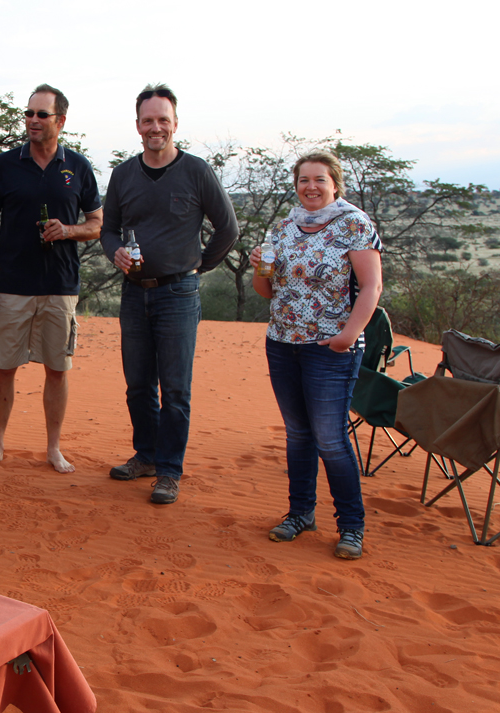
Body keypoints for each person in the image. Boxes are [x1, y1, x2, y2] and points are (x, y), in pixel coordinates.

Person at [103, 83, 238, 505]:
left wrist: (198, 266)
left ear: (175, 123)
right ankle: (145, 455)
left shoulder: (196, 171)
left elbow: (228, 229)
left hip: (178, 293)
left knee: (175, 388)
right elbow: (107, 229)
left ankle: (169, 471)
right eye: (148, 120)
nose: (155, 127)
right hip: (133, 292)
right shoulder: (124, 174)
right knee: (138, 385)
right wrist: (115, 253)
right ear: (138, 126)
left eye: (163, 119)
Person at [249, 151, 383, 560]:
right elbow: (267, 292)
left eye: (319, 179)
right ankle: (300, 514)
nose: (311, 186)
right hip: (283, 343)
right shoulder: (285, 227)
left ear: (335, 184)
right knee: (298, 434)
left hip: (329, 348)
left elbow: (372, 287)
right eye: (304, 179)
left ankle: (351, 526)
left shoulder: (353, 224)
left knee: (330, 439)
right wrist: (258, 268)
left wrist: (348, 335)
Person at [0, 84, 102, 474]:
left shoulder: (76, 166)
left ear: (60, 120)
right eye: (28, 114)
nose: (32, 121)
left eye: (41, 115)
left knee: (57, 369)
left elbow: (97, 224)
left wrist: (68, 230)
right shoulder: (5, 164)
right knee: (4, 367)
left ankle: (53, 449)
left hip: (60, 286)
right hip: (12, 285)